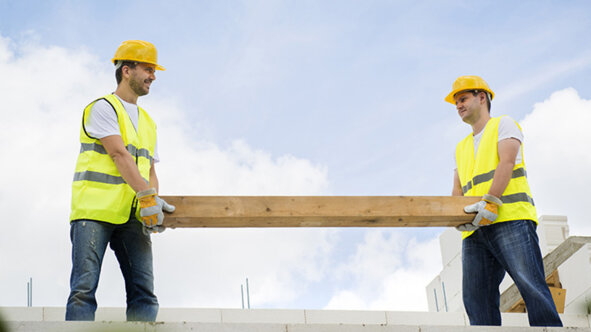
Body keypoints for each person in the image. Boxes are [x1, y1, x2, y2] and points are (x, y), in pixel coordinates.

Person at [66, 40, 175, 321]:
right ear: (126, 70)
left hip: (131, 215)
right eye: (148, 69)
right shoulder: (103, 108)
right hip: (94, 212)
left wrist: (149, 208)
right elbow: (119, 154)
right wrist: (148, 197)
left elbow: (150, 170)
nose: (153, 76)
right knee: (83, 289)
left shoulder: (149, 123)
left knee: (144, 292)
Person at [448, 75, 562, 327]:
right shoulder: (461, 147)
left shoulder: (504, 124)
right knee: (476, 301)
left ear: (482, 97)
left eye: (463, 98)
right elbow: (457, 189)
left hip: (510, 220)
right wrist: (458, 217)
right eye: (456, 102)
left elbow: (507, 163)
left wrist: (490, 203)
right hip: (475, 232)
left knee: (531, 286)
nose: (458, 105)